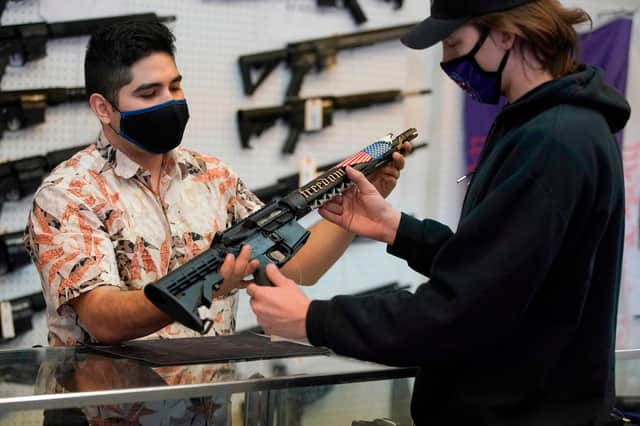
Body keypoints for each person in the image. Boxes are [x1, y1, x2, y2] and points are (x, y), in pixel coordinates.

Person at [247, 0, 631, 425]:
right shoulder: (545, 127)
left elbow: (463, 309)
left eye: (454, 42)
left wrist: (312, 320)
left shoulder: (552, 141)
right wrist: (398, 230)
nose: (447, 60)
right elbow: (502, 269)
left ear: (506, 33)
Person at [23, 20, 406, 347]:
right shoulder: (68, 194)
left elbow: (296, 268)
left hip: (208, 405)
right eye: (149, 93)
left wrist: (349, 209)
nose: (170, 101)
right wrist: (209, 282)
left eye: (174, 86)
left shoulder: (213, 177)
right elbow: (103, 319)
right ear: (103, 108)